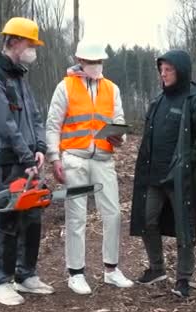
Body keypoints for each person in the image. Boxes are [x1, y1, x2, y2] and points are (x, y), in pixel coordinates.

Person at [45, 39, 134, 295]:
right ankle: (76, 273)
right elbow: (53, 125)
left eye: (99, 62)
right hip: (75, 158)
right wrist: (55, 158)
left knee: (113, 214)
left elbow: (118, 120)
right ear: (80, 61)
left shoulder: (111, 89)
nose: (96, 66)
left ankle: (111, 269)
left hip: (104, 159)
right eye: (91, 61)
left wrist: (120, 137)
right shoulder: (65, 87)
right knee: (76, 216)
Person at [0, 17, 54, 306]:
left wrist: (40, 148)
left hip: (30, 158)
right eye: (31, 44)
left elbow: (34, 116)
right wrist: (24, 154)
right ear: (17, 42)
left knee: (32, 217)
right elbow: (3, 123)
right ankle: (0, 281)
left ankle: (26, 275)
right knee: (6, 217)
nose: (34, 49)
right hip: (8, 160)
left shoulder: (20, 78)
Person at [130, 50, 196, 297]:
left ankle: (184, 279)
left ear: (182, 71)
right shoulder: (158, 100)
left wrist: (189, 162)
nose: (163, 75)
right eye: (161, 70)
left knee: (184, 227)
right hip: (153, 176)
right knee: (146, 220)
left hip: (180, 178)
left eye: (169, 70)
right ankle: (157, 268)